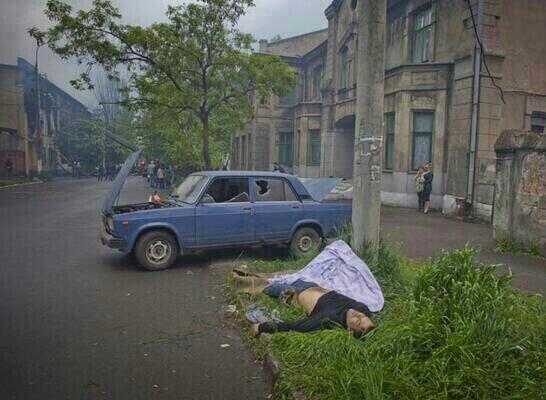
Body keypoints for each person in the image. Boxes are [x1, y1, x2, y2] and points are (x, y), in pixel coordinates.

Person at [233, 274, 374, 338]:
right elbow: (365, 317)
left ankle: (242, 279)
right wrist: (365, 321)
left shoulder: (329, 320)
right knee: (282, 276)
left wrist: (260, 327)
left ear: (349, 330)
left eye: (358, 321)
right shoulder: (362, 310)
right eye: (364, 317)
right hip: (312, 284)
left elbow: (296, 326)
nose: (359, 315)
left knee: (266, 285)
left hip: (295, 292)